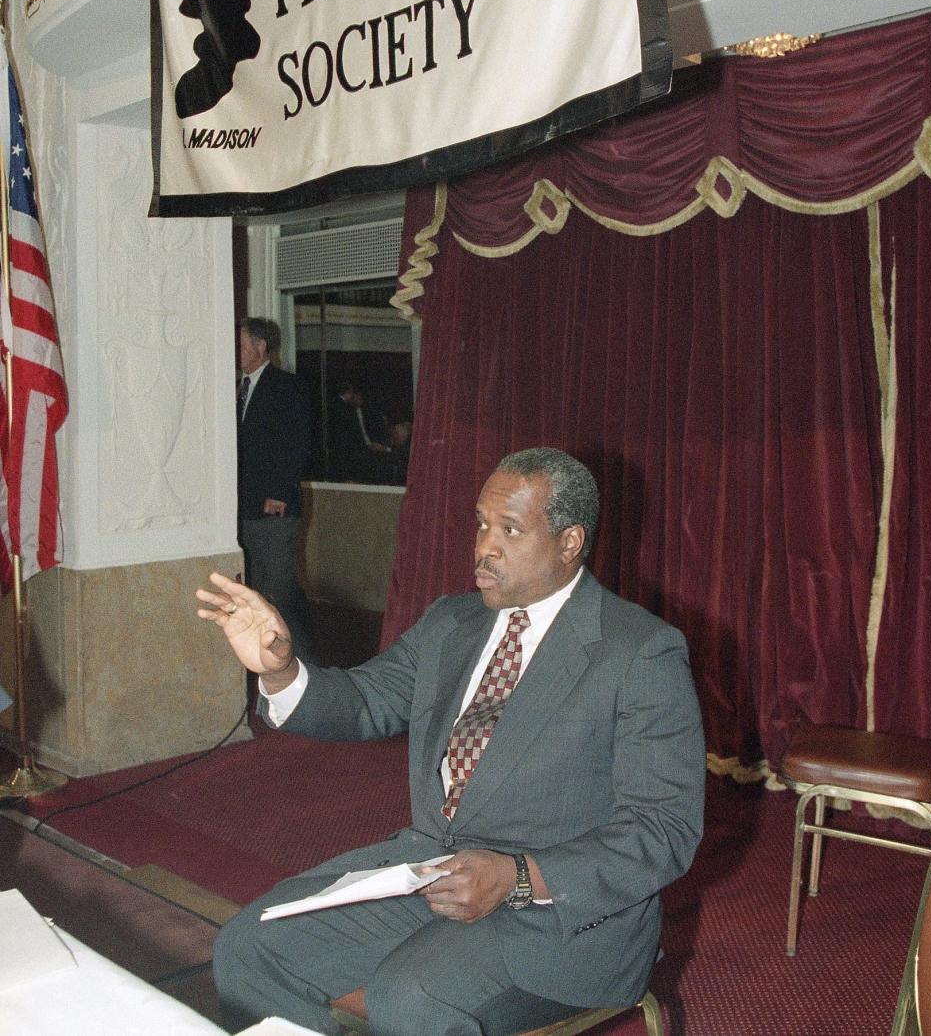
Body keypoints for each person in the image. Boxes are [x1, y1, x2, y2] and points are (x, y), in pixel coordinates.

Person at [199, 446, 704, 1036]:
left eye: (510, 530)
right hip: (428, 873)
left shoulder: (638, 651)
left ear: (570, 541)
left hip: (557, 916)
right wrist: (282, 669)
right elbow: (366, 702)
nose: (484, 547)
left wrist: (517, 876)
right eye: (482, 524)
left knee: (410, 1000)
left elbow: (663, 831)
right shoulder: (451, 623)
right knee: (247, 951)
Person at [236, 317, 315, 658]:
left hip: (274, 508)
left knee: (280, 590)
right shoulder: (235, 389)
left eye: (240, 345)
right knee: (253, 591)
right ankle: (266, 660)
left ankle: (309, 663)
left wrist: (280, 493)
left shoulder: (287, 386)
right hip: (244, 507)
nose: (235, 352)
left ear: (259, 346)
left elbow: (297, 442)